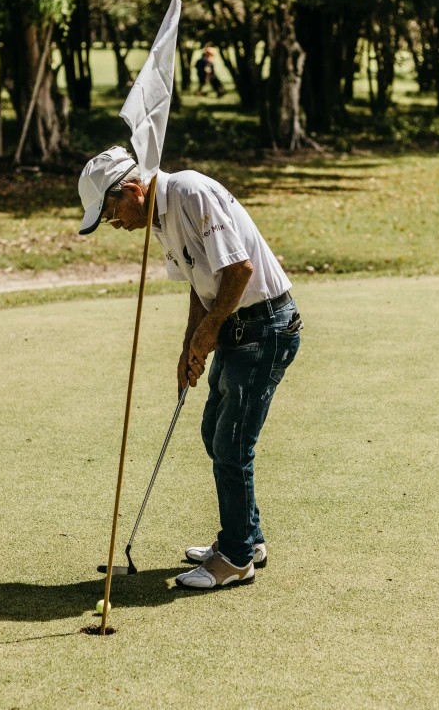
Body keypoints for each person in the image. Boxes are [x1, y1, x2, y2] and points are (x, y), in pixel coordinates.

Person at [78, 146, 303, 590]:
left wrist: (209, 332)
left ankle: (236, 558)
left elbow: (240, 270)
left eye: (110, 213)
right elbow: (201, 285)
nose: (115, 224)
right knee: (215, 433)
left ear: (132, 190)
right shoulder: (158, 218)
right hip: (239, 329)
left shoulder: (189, 191)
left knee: (231, 444)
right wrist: (189, 345)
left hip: (264, 327)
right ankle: (248, 537)